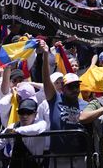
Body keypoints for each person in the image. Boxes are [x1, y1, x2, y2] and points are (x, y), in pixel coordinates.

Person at [39, 39, 88, 167]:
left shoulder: (84, 104)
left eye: (77, 86)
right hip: (58, 158)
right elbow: (45, 80)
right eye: (71, 87)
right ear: (63, 88)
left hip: (79, 157)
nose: (75, 90)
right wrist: (45, 55)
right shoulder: (55, 99)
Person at [0, 98, 48, 167]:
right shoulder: (12, 127)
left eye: (29, 112)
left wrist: (16, 131)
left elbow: (35, 129)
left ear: (35, 114)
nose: (25, 116)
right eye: (21, 112)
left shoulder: (41, 123)